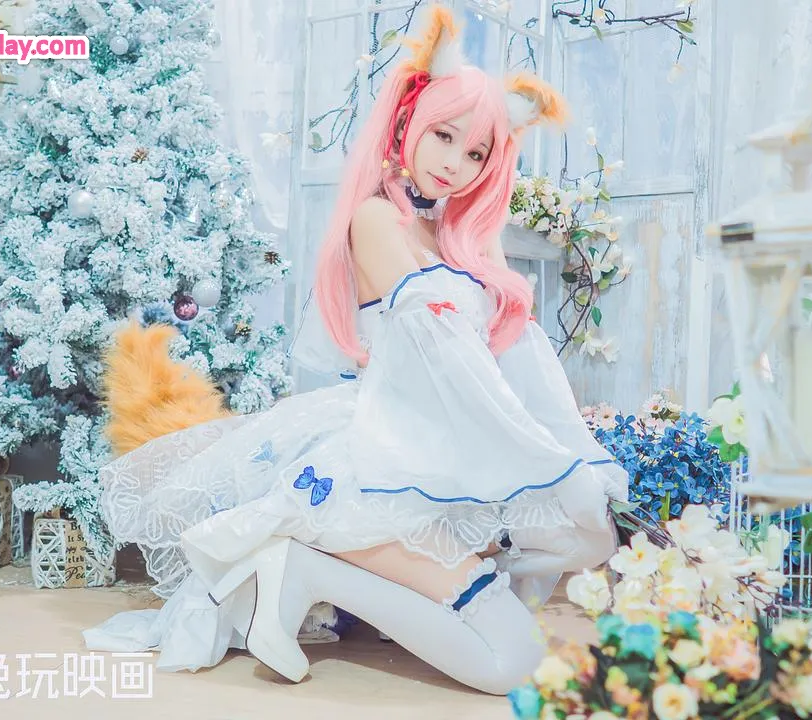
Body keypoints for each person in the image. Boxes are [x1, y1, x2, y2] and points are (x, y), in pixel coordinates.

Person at [82, 4, 628, 696]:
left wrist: (558, 456)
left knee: (560, 575)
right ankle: (307, 568)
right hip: (381, 466)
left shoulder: (451, 239)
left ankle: (311, 571)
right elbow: (444, 358)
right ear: (407, 123)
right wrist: (539, 459)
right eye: (445, 136)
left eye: (476, 153)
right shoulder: (376, 219)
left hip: (432, 458)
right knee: (514, 663)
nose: (455, 163)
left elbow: (503, 359)